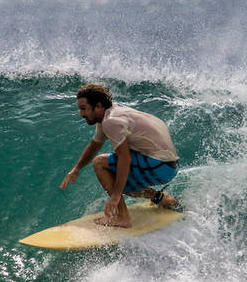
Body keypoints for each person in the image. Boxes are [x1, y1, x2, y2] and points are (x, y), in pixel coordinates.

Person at [59, 83, 181, 228]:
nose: (81, 114)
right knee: (116, 181)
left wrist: (116, 196)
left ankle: (123, 217)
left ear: (98, 106)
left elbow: (125, 158)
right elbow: (95, 145)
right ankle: (163, 199)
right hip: (167, 165)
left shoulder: (111, 121)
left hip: (159, 165)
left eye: (83, 109)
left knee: (100, 163)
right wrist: (76, 168)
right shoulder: (111, 114)